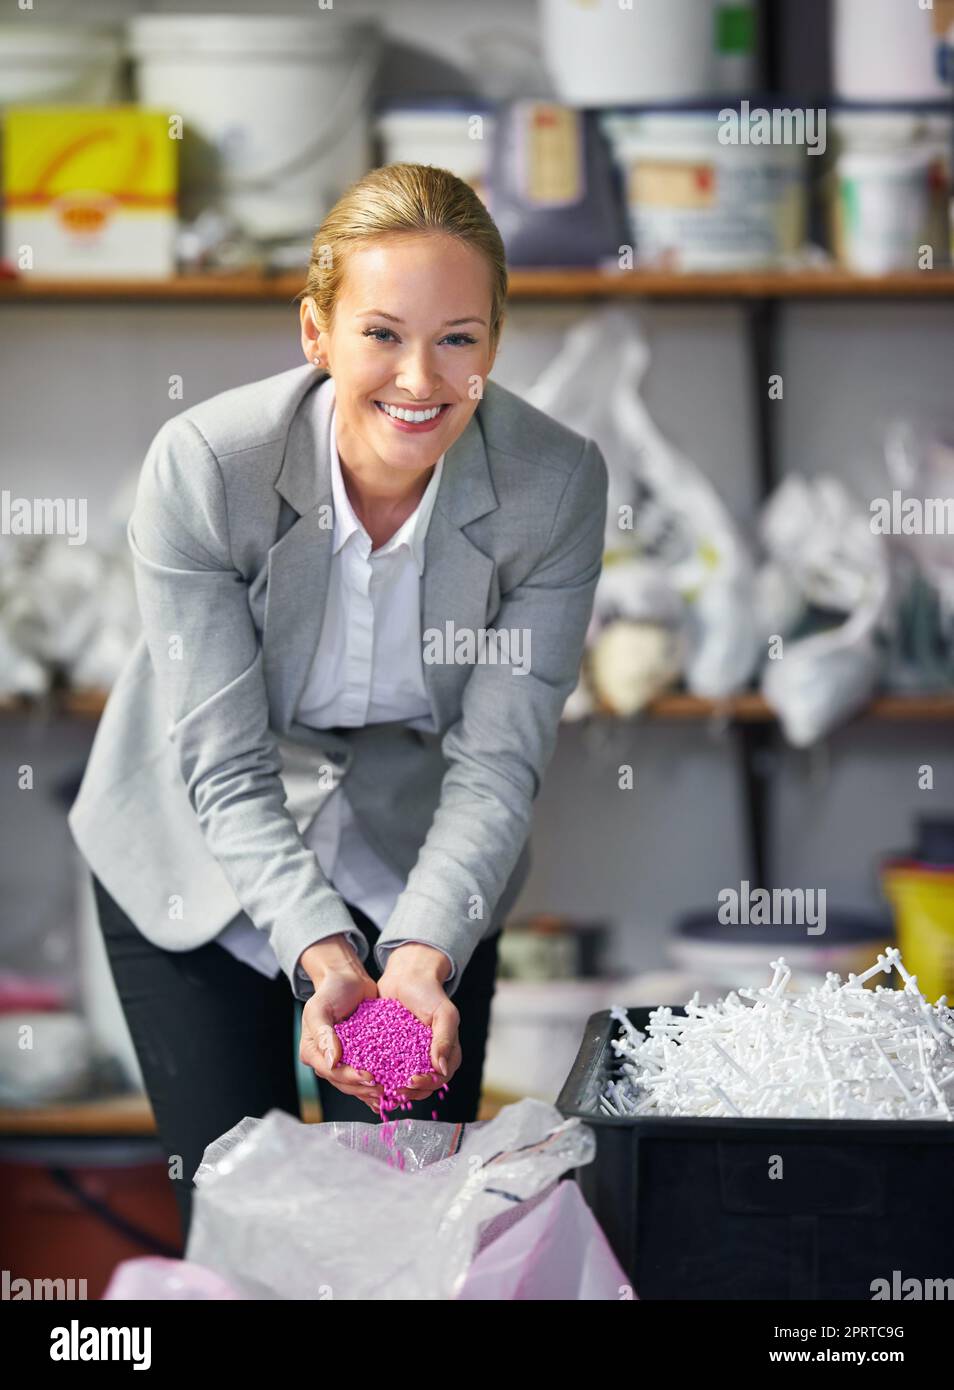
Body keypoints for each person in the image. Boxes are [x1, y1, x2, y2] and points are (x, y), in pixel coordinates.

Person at [67, 161, 608, 1242]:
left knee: (411, 1214)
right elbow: (220, 766)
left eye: (459, 336)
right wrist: (323, 954)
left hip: (419, 864)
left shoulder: (554, 485)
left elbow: (500, 759)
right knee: (249, 1222)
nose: (421, 376)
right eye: (381, 333)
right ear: (315, 331)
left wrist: (411, 958)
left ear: (494, 345)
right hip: (196, 858)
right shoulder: (209, 467)